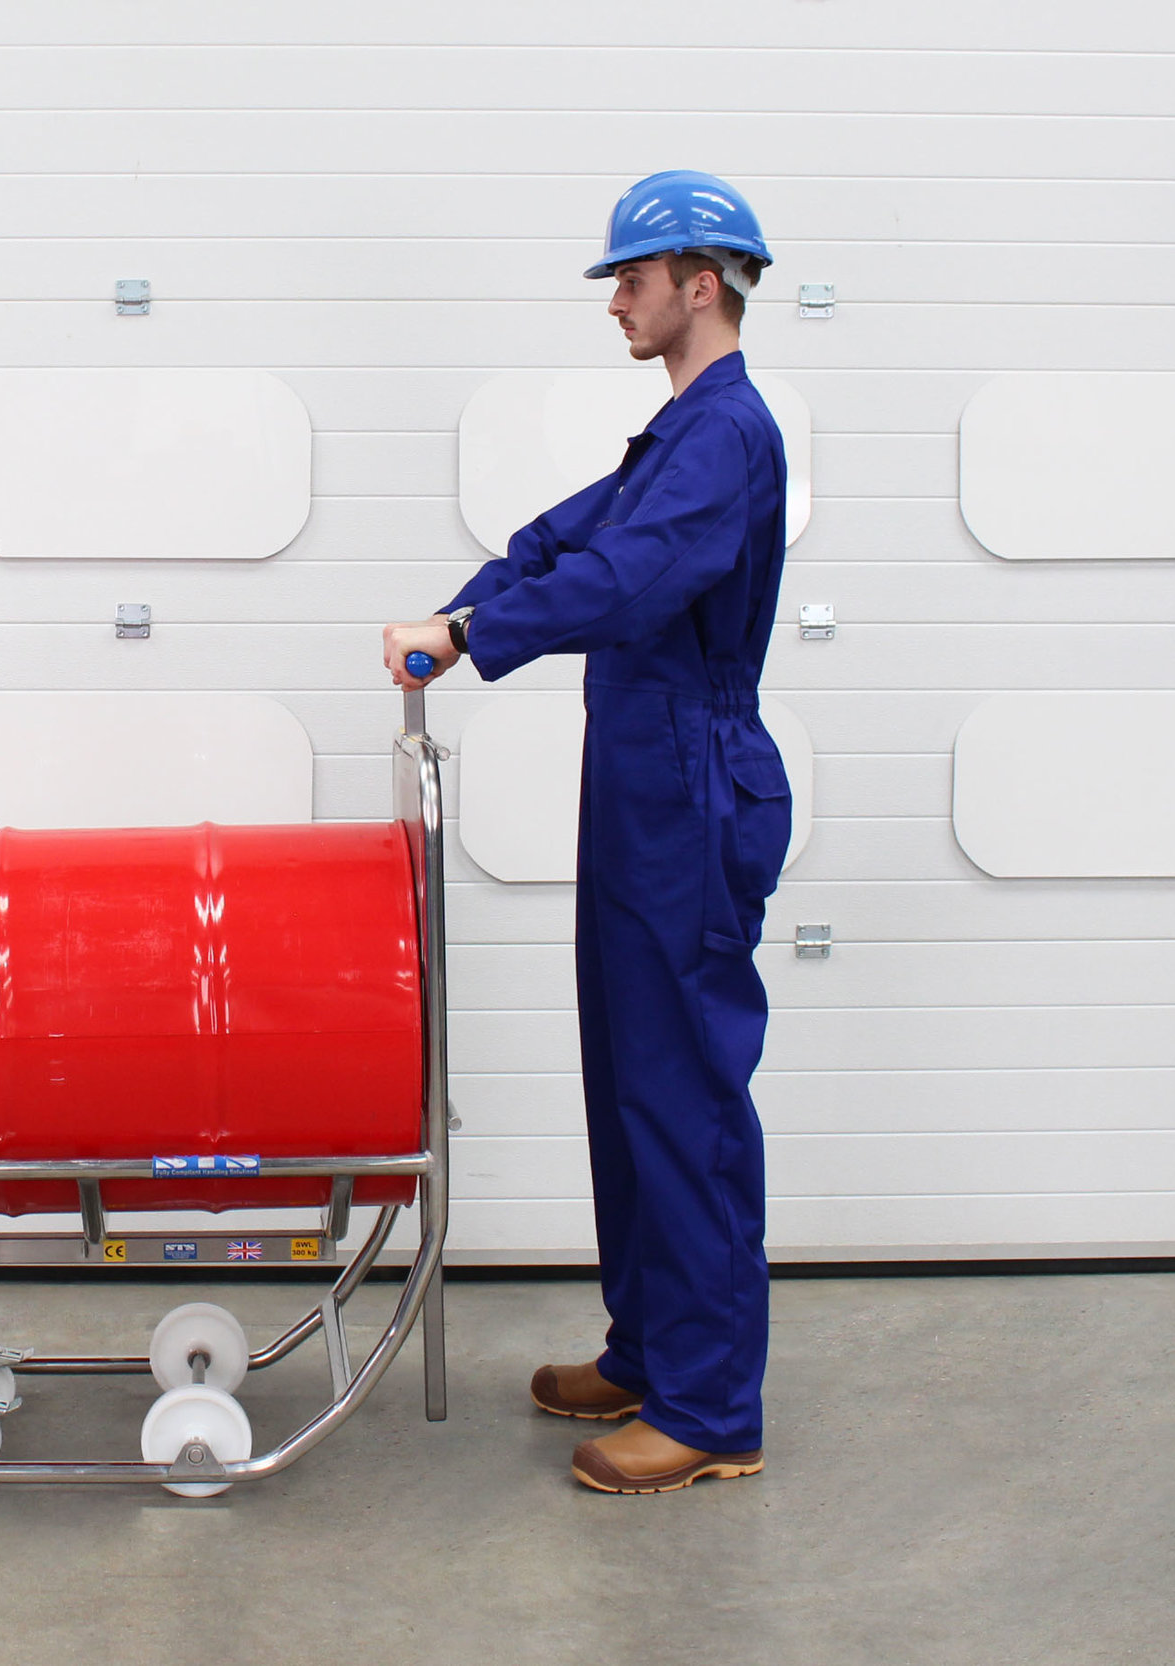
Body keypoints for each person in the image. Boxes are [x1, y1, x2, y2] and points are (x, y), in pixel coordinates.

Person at [383, 171, 791, 1495]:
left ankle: (714, 1408)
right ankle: (652, 1348)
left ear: (703, 282)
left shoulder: (727, 433)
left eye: (633, 275)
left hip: (693, 772)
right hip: (640, 778)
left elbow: (633, 579)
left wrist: (475, 637)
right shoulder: (677, 427)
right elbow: (571, 538)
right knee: (629, 1077)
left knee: (686, 1092)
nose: (617, 297)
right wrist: (464, 609)